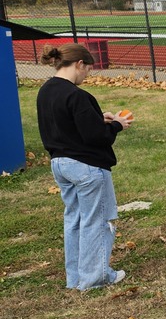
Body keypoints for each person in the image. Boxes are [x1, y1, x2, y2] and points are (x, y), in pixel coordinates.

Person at [36, 43, 132, 290]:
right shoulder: (76, 95)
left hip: (60, 163)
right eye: (88, 68)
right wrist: (116, 125)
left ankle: (76, 277)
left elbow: (68, 124)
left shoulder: (46, 91)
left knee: (75, 220)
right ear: (79, 64)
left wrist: (100, 119)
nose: (87, 74)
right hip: (87, 166)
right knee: (97, 220)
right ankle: (96, 277)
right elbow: (96, 137)